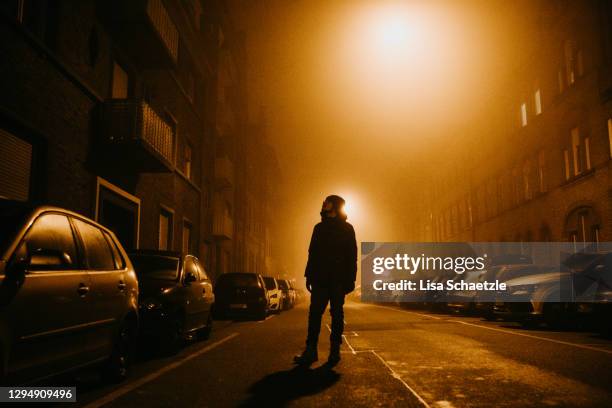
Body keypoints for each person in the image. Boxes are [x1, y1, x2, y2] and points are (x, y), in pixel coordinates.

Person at [294, 195, 357, 367]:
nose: (323, 204)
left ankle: (334, 350)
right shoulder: (319, 228)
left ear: (335, 206)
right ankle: (311, 350)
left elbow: (352, 257)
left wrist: (350, 279)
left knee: (336, 314)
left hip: (337, 279)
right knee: (315, 314)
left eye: (327, 202)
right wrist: (308, 276)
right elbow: (312, 253)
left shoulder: (347, 229)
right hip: (321, 278)